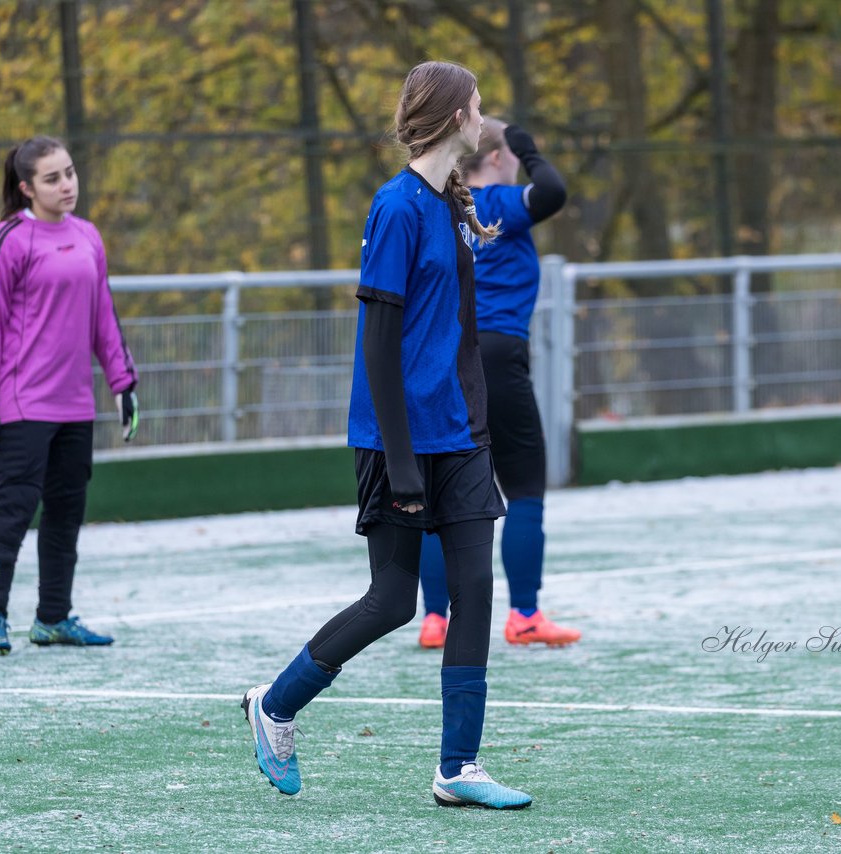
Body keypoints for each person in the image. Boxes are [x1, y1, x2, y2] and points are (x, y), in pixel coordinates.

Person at [241, 61, 531, 810]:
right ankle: (274, 706)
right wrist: (399, 461)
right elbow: (378, 344)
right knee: (394, 601)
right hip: (397, 440)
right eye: (477, 107)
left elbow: (459, 335)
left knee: (473, 589)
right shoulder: (395, 207)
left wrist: (478, 424)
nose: (482, 117)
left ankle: (458, 769)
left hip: (460, 438)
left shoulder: (447, 207)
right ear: (457, 117)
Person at [0, 135, 139, 656]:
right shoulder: (8, 240)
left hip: (74, 406)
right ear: (25, 188)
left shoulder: (88, 236)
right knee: (13, 510)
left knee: (65, 513)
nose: (67, 185)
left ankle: (53, 618)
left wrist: (123, 382)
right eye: (52, 178)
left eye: (69, 173)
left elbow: (101, 317)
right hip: (21, 404)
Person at [416, 117, 580, 650]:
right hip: (500, 352)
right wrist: (529, 146)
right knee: (526, 485)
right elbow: (553, 190)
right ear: (497, 158)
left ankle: (434, 619)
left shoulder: (445, 207)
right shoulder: (502, 202)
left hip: (448, 356)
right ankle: (525, 616)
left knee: (441, 493)